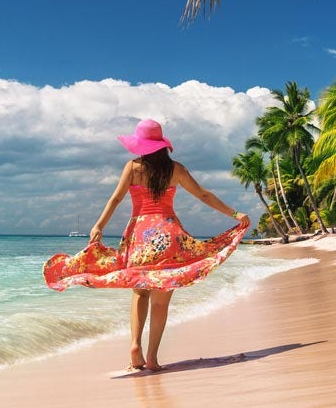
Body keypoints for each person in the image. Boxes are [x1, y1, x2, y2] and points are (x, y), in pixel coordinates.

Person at [42, 118, 250, 372]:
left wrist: (98, 226)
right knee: (160, 301)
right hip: (168, 235)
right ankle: (152, 358)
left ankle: (134, 346)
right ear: (162, 144)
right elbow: (203, 195)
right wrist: (234, 214)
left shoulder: (133, 167)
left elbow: (116, 199)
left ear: (140, 145)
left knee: (140, 291)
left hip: (139, 236)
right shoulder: (176, 169)